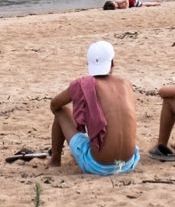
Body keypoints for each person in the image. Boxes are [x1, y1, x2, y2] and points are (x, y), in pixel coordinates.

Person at [48, 40, 139, 175]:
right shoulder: (125, 84)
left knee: (62, 111)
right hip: (128, 162)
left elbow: (55, 104)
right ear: (112, 63)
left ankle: (55, 160)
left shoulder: (82, 84)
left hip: (98, 166)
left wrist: (79, 108)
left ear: (89, 65)